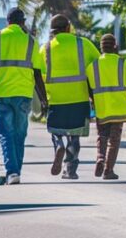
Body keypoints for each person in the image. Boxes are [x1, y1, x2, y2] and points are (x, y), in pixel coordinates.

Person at [0, 7, 45, 185]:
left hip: (2, 93)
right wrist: (44, 99)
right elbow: (37, 73)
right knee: (19, 134)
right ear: (23, 22)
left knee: (6, 135)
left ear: (7, 22)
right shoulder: (32, 41)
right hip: (24, 94)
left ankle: (12, 172)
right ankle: (15, 171)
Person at [42, 14, 99, 180]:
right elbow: (97, 67)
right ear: (68, 28)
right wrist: (94, 96)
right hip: (79, 97)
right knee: (74, 136)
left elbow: (37, 73)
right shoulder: (84, 45)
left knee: (55, 130)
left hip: (55, 98)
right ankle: (70, 169)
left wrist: (43, 99)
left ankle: (58, 144)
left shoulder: (45, 48)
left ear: (52, 30)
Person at [87, 34, 126, 180]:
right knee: (114, 139)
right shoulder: (124, 64)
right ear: (115, 46)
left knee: (102, 136)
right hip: (119, 108)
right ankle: (108, 170)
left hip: (102, 108)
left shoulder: (92, 66)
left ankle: (100, 158)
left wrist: (94, 102)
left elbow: (90, 89)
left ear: (101, 48)